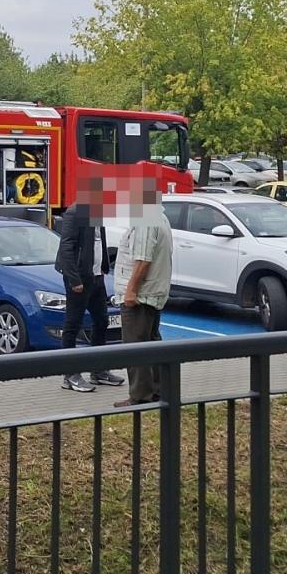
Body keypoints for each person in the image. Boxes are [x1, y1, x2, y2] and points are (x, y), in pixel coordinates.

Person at [54, 172, 124, 392]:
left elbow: (99, 242)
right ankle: (70, 374)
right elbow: (66, 247)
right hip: (78, 279)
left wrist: (103, 269)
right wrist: (74, 279)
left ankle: (98, 370)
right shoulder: (74, 213)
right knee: (72, 325)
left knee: (101, 321)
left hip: (96, 278)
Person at [113, 171, 174, 408]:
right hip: (152, 293)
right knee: (151, 342)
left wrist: (130, 291)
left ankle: (139, 396)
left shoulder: (145, 220)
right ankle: (157, 391)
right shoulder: (160, 217)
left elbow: (143, 259)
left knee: (135, 345)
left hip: (141, 296)